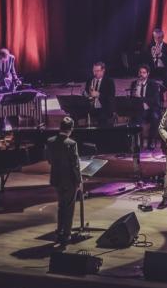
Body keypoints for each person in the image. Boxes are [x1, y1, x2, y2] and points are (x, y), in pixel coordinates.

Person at [46, 116, 81, 246]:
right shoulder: (71, 143)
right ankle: (66, 234)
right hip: (69, 180)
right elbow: (75, 165)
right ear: (70, 129)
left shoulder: (50, 141)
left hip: (56, 179)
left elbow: (49, 159)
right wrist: (79, 180)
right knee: (69, 207)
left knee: (61, 206)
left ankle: (60, 231)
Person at [129, 65, 163, 150]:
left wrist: (141, 98)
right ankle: (135, 143)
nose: (141, 74)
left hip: (150, 109)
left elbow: (154, 100)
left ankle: (150, 142)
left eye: (144, 72)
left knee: (155, 118)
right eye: (140, 72)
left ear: (148, 74)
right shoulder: (134, 84)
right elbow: (131, 99)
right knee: (133, 119)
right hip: (138, 109)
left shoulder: (153, 84)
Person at [84, 61, 116, 128]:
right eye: (94, 71)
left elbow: (111, 97)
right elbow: (86, 92)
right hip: (92, 107)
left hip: (104, 108)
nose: (95, 73)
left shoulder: (109, 81)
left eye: (97, 71)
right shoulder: (90, 80)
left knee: (102, 117)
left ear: (103, 70)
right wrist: (86, 94)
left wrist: (98, 94)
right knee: (75, 113)